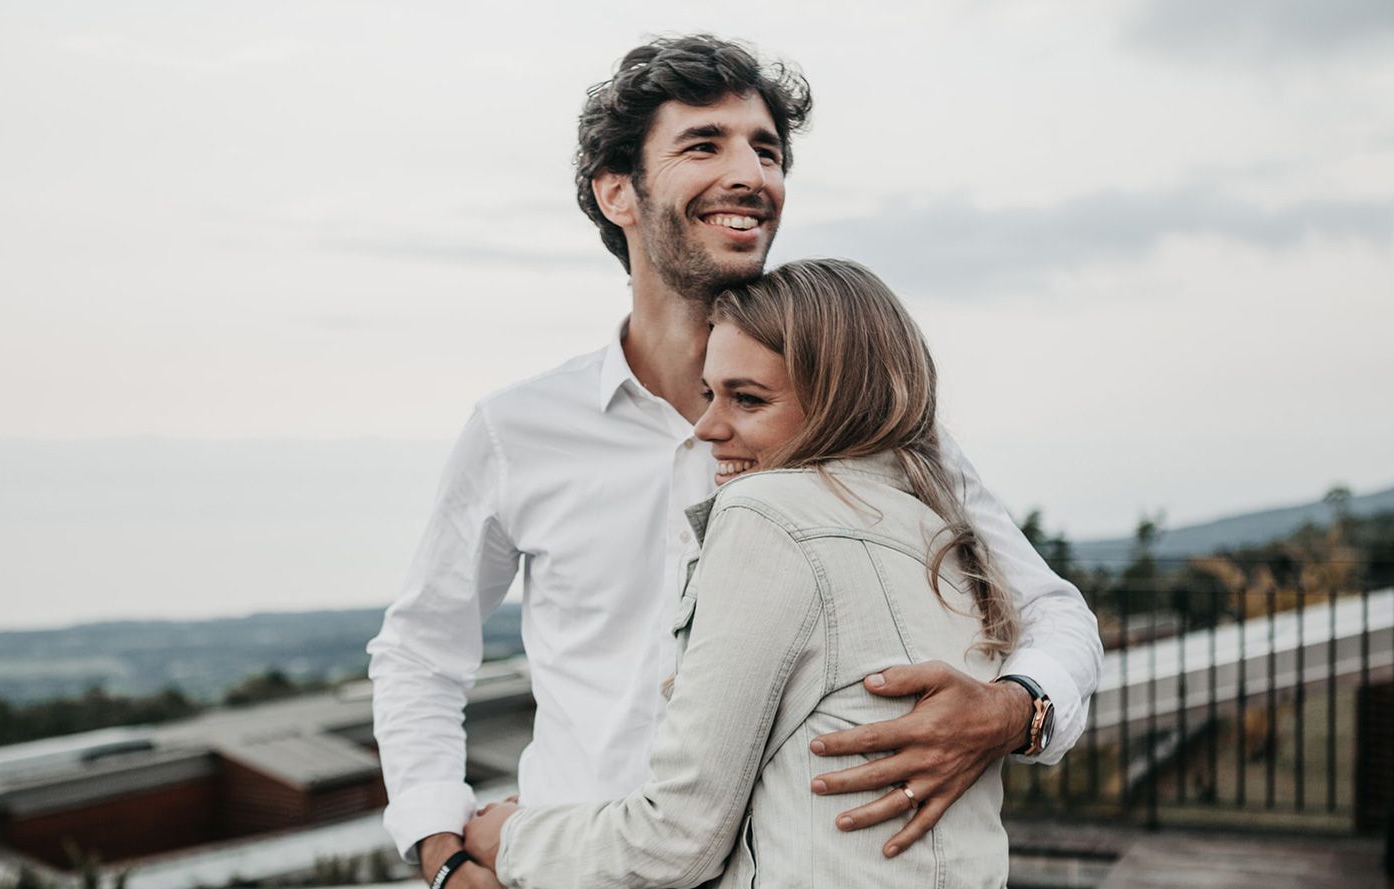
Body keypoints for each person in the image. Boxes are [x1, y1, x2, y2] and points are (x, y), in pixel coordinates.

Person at [366, 35, 1102, 889]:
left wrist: (1013, 710)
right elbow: (421, 649)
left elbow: (1053, 609)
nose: (752, 172)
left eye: (767, 149)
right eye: (704, 143)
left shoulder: (867, 419)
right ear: (617, 192)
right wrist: (439, 849)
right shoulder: (516, 429)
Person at [461, 258, 1025, 888]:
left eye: (747, 399)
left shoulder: (767, 513)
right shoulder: (944, 530)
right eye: (710, 394)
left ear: (839, 400)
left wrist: (506, 839)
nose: (707, 428)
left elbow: (677, 838)